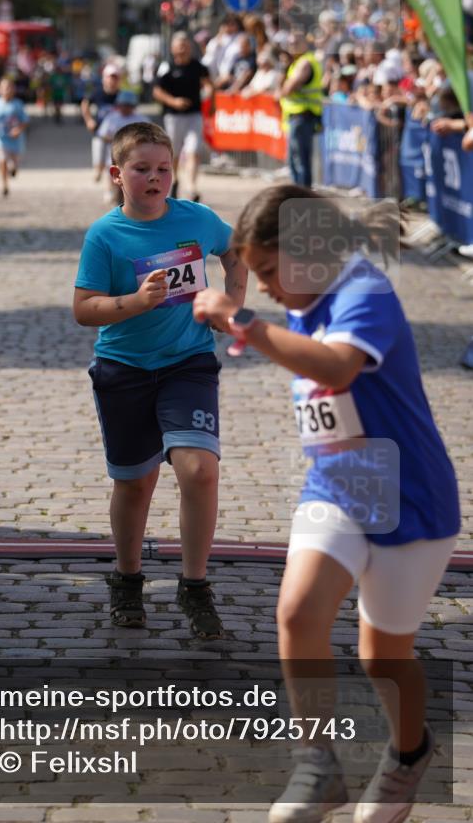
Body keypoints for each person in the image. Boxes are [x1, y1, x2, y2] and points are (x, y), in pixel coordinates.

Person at [193, 183, 460, 823]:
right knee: (296, 613)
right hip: (335, 487)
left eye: (267, 275)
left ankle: (408, 753)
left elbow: (337, 369)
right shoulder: (306, 298)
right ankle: (318, 765)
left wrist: (243, 323)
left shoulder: (365, 292)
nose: (267, 293)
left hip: (411, 498)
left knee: (382, 656)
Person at [73, 121, 248, 640]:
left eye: (164, 169)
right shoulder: (105, 235)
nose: (155, 178)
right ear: (117, 175)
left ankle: (195, 586)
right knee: (134, 483)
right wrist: (136, 302)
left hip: (188, 362)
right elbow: (84, 310)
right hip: (123, 369)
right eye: (142, 169)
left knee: (199, 470)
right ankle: (127, 581)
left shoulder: (197, 217)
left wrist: (231, 304)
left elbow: (235, 251)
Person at [153, 32, 211, 202]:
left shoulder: (198, 66)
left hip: (194, 114)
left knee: (194, 150)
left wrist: (211, 97)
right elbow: (156, 91)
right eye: (179, 45)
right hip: (173, 116)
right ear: (172, 48)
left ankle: (192, 187)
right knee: (175, 152)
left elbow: (209, 84)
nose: (183, 49)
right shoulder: (166, 67)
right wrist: (174, 101)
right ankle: (175, 180)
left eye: (186, 45)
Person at [279, 31, 324, 189]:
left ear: (305, 44)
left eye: (296, 42)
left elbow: (288, 88)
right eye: (290, 43)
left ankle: (303, 195)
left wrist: (284, 88)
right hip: (297, 117)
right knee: (295, 160)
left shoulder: (305, 63)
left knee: (300, 161)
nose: (292, 46)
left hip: (303, 117)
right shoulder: (296, 62)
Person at [95, 90, 151, 204]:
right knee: (113, 173)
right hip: (115, 153)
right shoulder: (111, 118)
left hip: (135, 155)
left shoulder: (141, 119)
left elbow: (150, 136)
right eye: (123, 105)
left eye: (128, 105)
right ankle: (111, 191)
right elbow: (102, 135)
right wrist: (119, 140)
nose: (125, 108)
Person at [0, 76, 30, 197]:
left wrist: (18, 129)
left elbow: (25, 120)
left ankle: (14, 167)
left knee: (14, 162)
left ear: (13, 90)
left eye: (9, 87)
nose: (7, 90)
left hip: (15, 140)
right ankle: (4, 185)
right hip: (0, 138)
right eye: (4, 88)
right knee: (2, 160)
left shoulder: (17, 105)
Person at [81, 64, 120, 185]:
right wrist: (88, 120)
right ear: (104, 78)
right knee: (99, 161)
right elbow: (85, 103)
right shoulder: (97, 93)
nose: (112, 80)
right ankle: (98, 170)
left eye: (115, 78)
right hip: (99, 132)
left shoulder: (122, 95)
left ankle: (110, 189)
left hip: (116, 135)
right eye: (110, 77)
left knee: (112, 164)